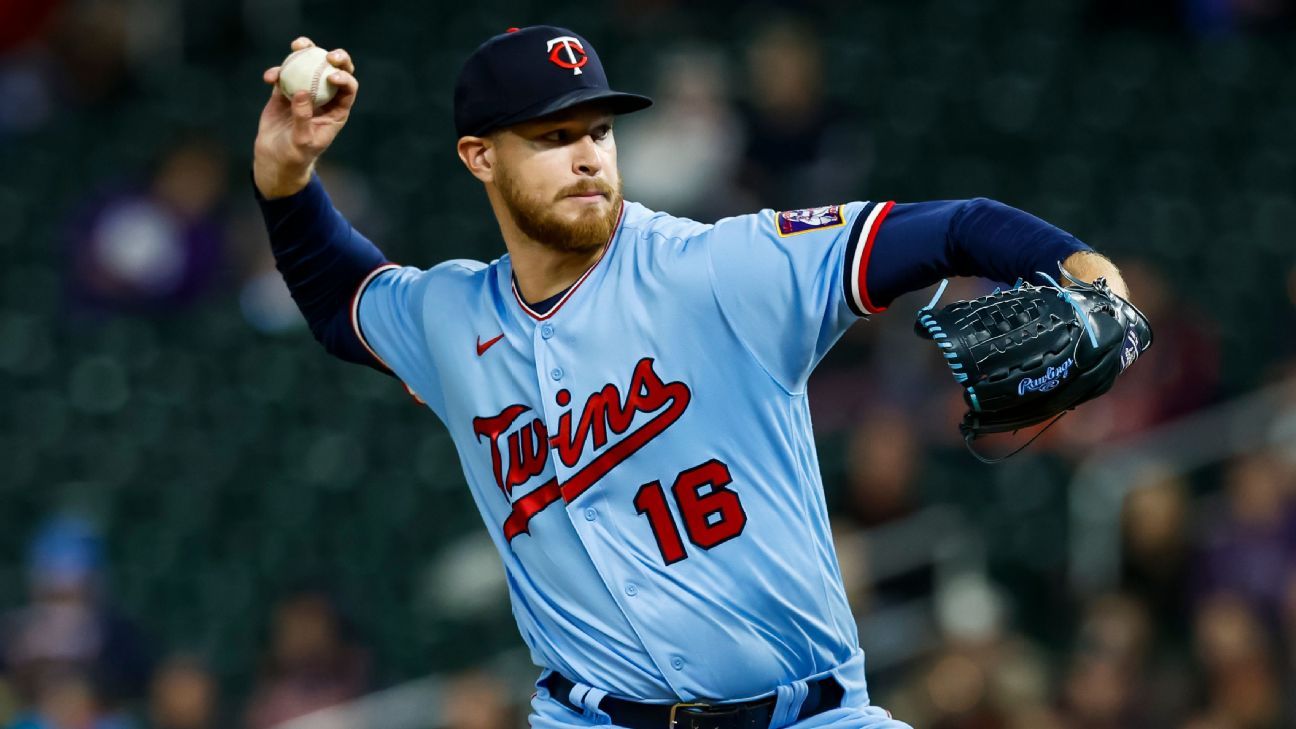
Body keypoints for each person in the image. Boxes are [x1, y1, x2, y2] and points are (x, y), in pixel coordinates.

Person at [251, 26, 1130, 729]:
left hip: (808, 716)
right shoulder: (455, 320)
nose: (589, 154)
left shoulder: (718, 266)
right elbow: (342, 300)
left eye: (598, 129)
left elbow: (952, 227)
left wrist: (1089, 273)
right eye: (553, 137)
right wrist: (287, 169)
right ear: (480, 157)